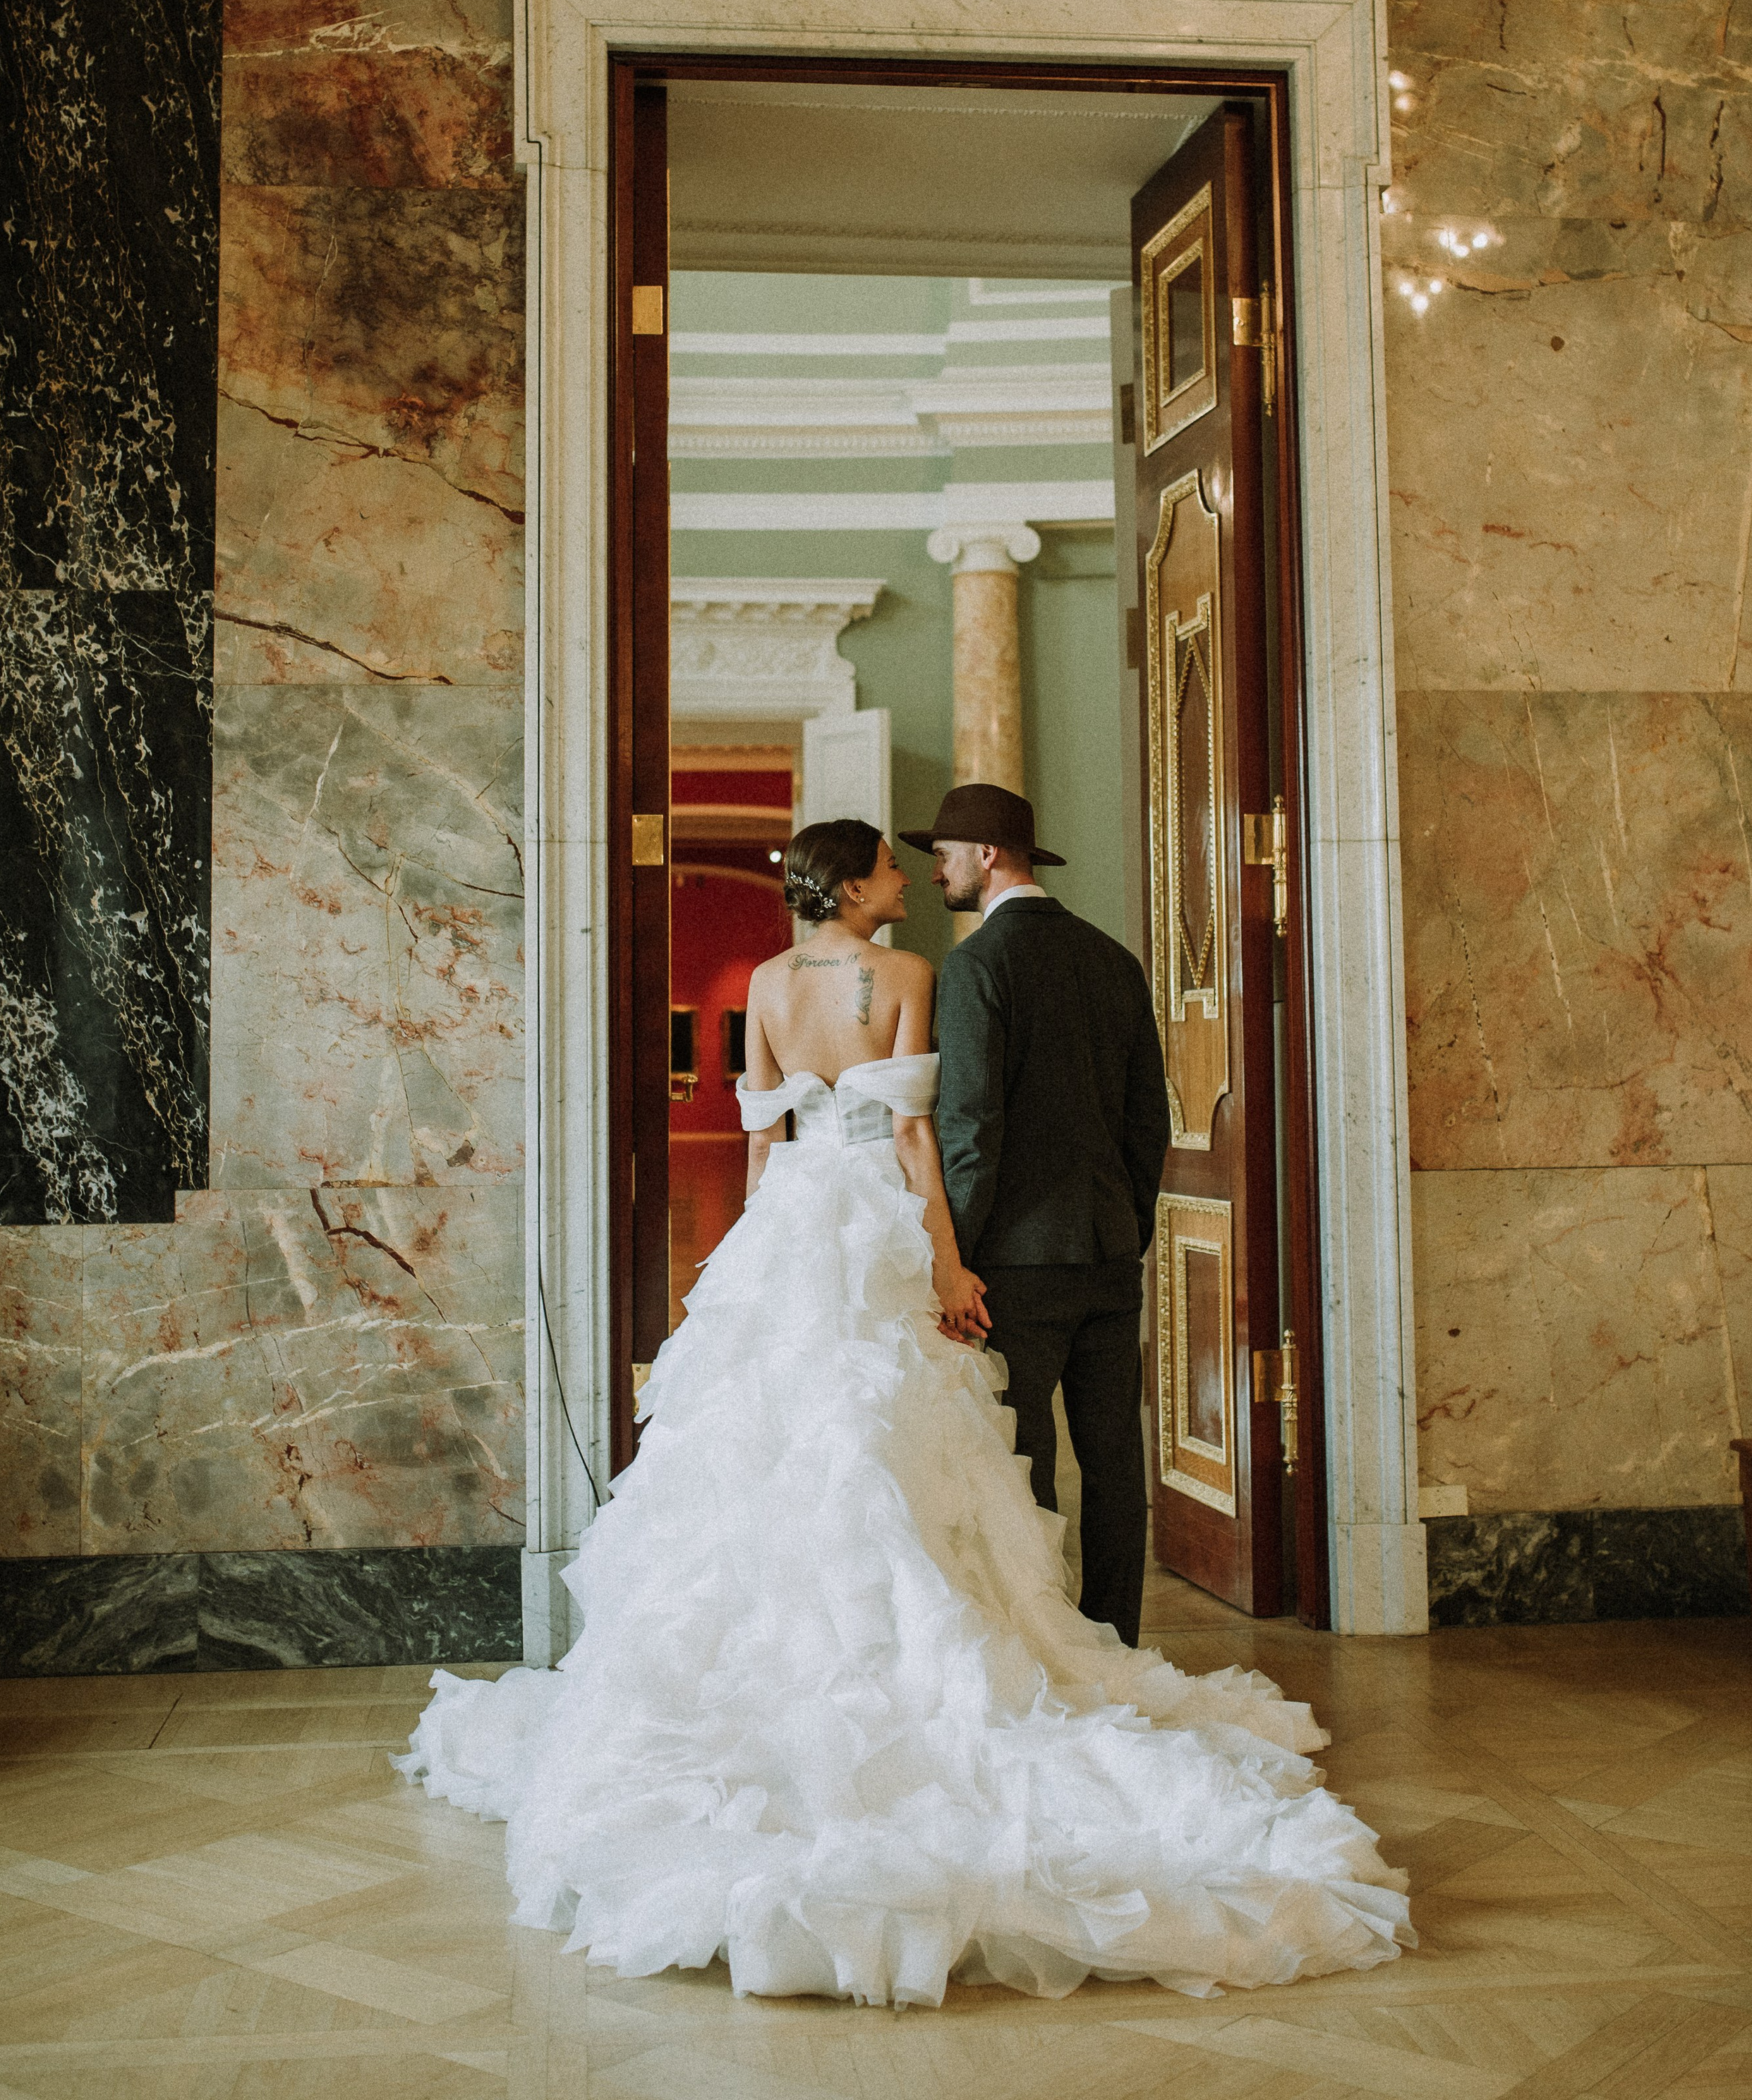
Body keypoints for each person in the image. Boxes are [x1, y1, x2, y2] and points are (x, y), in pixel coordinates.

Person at [399, 816, 1410, 2009]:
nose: (906, 881)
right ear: (852, 885)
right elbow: (925, 1133)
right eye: (887, 867)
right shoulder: (915, 975)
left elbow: (767, 1143)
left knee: (783, 1441)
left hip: (790, 1229)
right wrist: (947, 1265)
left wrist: (749, 1262)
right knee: (898, 1443)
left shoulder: (775, 985)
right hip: (879, 1210)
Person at [901, 783, 1166, 1646]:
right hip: (1107, 1253)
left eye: (943, 853)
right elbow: (1146, 1120)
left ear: (986, 856)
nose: (934, 868)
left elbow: (971, 1124)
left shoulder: (979, 966)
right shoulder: (1111, 958)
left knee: (1028, 1461)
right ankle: (1116, 1641)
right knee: (1116, 1464)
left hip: (1013, 1261)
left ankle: (1056, 1647)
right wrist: (1126, 1224)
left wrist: (955, 1257)